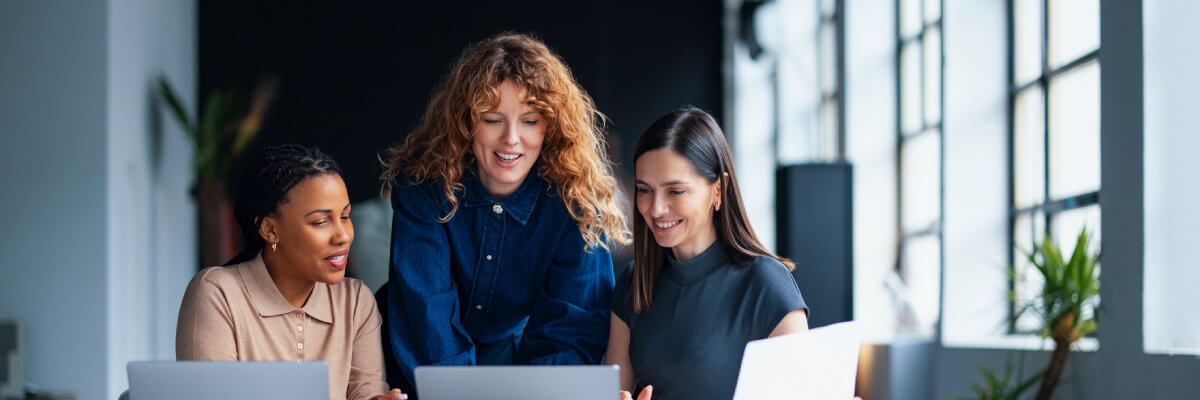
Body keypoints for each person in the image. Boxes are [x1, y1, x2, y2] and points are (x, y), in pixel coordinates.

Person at [378, 33, 631, 396]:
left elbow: (572, 331)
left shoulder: (576, 200)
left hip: (516, 358)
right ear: (466, 121)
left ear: (551, 126)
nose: (511, 138)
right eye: (492, 119)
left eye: (530, 120)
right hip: (414, 362)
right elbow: (426, 319)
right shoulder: (424, 186)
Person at [606, 108, 810, 400]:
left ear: (718, 190)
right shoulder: (633, 282)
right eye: (644, 190)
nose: (655, 208)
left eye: (675, 191)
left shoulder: (765, 284)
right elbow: (615, 393)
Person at [176, 144, 405, 400]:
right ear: (270, 230)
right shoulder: (218, 292)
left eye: (345, 216)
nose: (343, 236)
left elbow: (365, 393)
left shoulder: (355, 302)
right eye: (320, 222)